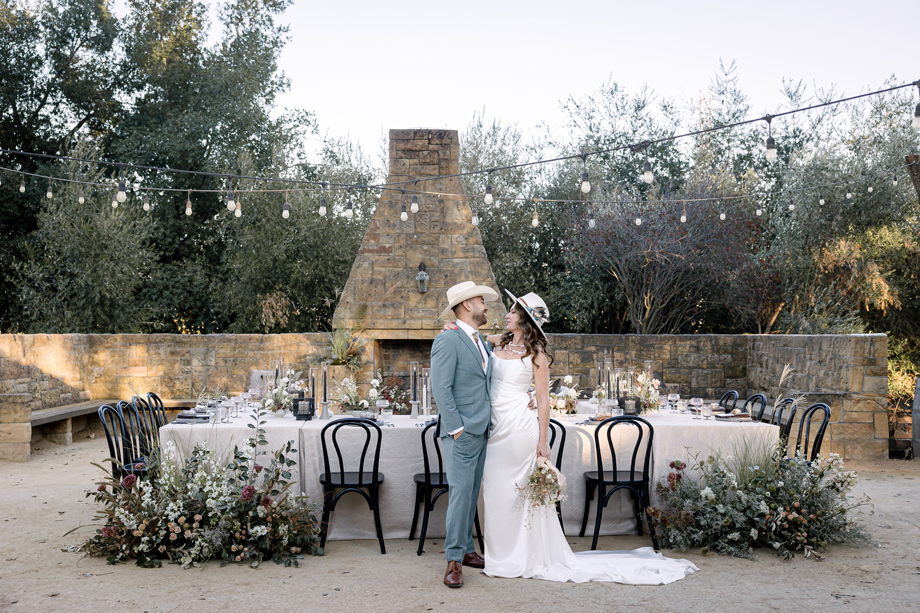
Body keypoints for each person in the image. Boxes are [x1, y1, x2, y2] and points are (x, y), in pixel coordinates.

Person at [478, 290, 698, 584]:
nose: (507, 315)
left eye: (514, 311)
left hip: (519, 428)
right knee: (495, 489)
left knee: (519, 492)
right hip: (495, 428)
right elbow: (474, 340)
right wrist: (451, 328)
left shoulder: (537, 355)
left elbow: (542, 400)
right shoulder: (497, 343)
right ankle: (500, 553)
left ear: (526, 319)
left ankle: (521, 555)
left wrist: (543, 442)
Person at [429, 281, 499, 589]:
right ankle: (454, 560)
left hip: (482, 430)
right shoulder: (447, 339)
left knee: (471, 493)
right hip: (462, 431)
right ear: (468, 304)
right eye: (482, 301)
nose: (486, 306)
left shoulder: (479, 340)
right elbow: (441, 388)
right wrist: (457, 428)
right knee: (460, 494)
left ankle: (468, 551)